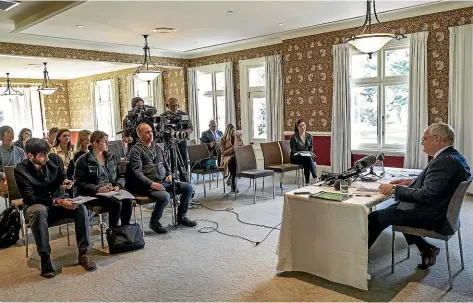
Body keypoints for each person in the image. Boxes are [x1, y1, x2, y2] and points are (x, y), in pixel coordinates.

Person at [370, 122, 471, 269]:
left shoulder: (443, 161)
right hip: (443, 210)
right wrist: (410, 181)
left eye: (424, 139)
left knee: (376, 217)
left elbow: (427, 195)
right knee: (397, 207)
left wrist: (394, 189)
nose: (422, 143)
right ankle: (426, 249)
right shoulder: (453, 156)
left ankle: (355, 262)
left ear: (437, 139)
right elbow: (439, 184)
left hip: (437, 217)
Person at [14, 138, 96, 278]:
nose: (46, 157)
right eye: (42, 155)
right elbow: (30, 198)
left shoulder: (53, 159)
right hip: (38, 206)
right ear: (30, 155)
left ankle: (84, 254)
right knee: (39, 210)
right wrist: (58, 201)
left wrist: (65, 182)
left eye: (47, 153)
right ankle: (45, 259)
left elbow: (60, 177)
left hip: (58, 202)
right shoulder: (21, 170)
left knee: (80, 207)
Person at [126, 123, 196, 234]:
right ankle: (154, 222)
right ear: (139, 134)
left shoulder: (157, 147)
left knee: (188, 187)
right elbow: (137, 172)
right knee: (165, 196)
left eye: (151, 131)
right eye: (147, 132)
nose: (150, 134)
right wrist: (151, 184)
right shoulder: (135, 150)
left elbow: (165, 163)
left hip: (164, 181)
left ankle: (181, 217)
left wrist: (170, 174)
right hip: (146, 185)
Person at [74, 131, 133, 228]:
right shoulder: (83, 160)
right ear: (95, 143)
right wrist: (97, 189)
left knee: (127, 200)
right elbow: (79, 183)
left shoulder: (111, 157)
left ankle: (125, 230)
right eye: (104, 141)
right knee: (116, 203)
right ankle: (113, 231)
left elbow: (121, 175)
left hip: (111, 191)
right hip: (93, 194)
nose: (107, 144)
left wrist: (118, 186)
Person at [160, 98, 193, 182]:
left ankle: (185, 183)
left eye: (176, 105)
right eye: (172, 105)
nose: (174, 107)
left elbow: (190, 128)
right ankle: (171, 182)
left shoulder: (184, 115)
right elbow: (160, 130)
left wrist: (184, 132)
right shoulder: (163, 116)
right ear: (168, 106)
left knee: (183, 163)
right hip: (169, 143)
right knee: (169, 163)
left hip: (181, 142)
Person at [290, 119, 317, 185]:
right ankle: (315, 177)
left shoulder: (309, 136)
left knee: (307, 159)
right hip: (296, 157)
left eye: (304, 125)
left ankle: (307, 182)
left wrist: (310, 153)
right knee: (307, 159)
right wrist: (302, 153)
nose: (303, 127)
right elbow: (293, 151)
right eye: (300, 126)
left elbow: (310, 149)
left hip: (306, 157)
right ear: (297, 127)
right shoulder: (294, 137)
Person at [0, 126, 26, 193]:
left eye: (12, 131)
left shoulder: (20, 150)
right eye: (8, 132)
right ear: (2, 135)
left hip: (20, 179)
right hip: (5, 180)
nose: (12, 133)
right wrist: (3, 175)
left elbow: (25, 166)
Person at [220, 124, 243, 192]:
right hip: (226, 158)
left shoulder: (238, 137)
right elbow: (223, 153)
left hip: (237, 156)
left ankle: (231, 178)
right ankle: (233, 182)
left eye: (234, 131)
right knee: (234, 160)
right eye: (232, 132)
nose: (233, 133)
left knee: (235, 159)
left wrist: (240, 146)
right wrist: (233, 149)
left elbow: (242, 146)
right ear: (228, 132)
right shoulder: (223, 139)